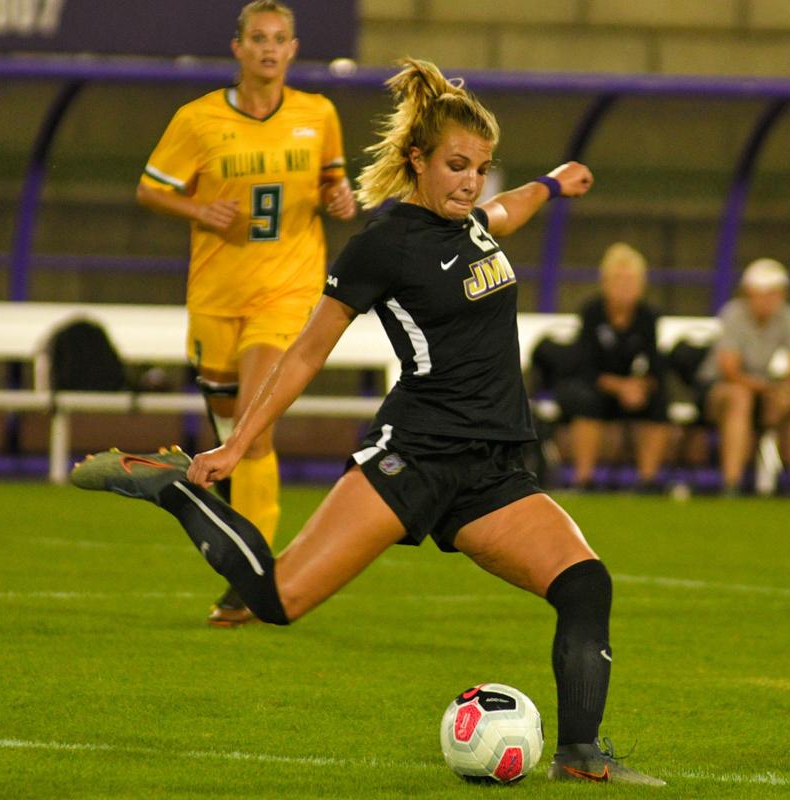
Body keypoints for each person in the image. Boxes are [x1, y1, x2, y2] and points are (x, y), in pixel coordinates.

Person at [74, 58, 663, 785]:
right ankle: (175, 488)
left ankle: (579, 757)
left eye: (478, 168)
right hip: (412, 456)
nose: (470, 181)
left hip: (493, 470)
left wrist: (552, 183)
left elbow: (508, 208)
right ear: (417, 161)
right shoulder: (387, 243)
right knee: (278, 600)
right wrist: (238, 443)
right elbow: (304, 354)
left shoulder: (475, 223)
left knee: (584, 585)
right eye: (455, 165)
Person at [135, 0, 356, 626]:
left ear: (293, 49)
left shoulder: (319, 114)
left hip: (287, 294)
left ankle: (255, 578)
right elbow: (151, 187)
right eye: (256, 38)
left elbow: (334, 185)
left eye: (278, 38)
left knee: (255, 431)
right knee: (232, 435)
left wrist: (340, 199)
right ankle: (248, 562)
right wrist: (198, 211)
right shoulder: (198, 120)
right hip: (215, 299)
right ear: (237, 48)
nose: (267, 48)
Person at [550, 243, 669, 491]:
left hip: (628, 389)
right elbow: (585, 366)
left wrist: (640, 386)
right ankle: (584, 478)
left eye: (631, 281)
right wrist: (619, 387)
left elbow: (656, 364)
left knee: (659, 401)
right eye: (618, 280)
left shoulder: (647, 316)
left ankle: (648, 480)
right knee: (586, 401)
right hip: (596, 385)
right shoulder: (592, 313)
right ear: (605, 283)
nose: (625, 287)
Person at [696, 258, 790, 496]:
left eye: (773, 293)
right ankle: (731, 483)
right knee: (740, 397)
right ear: (748, 293)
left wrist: (786, 394)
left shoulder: (789, 317)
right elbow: (729, 371)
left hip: (761, 390)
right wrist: (770, 390)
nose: (767, 300)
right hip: (721, 388)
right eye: (760, 293)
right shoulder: (733, 314)